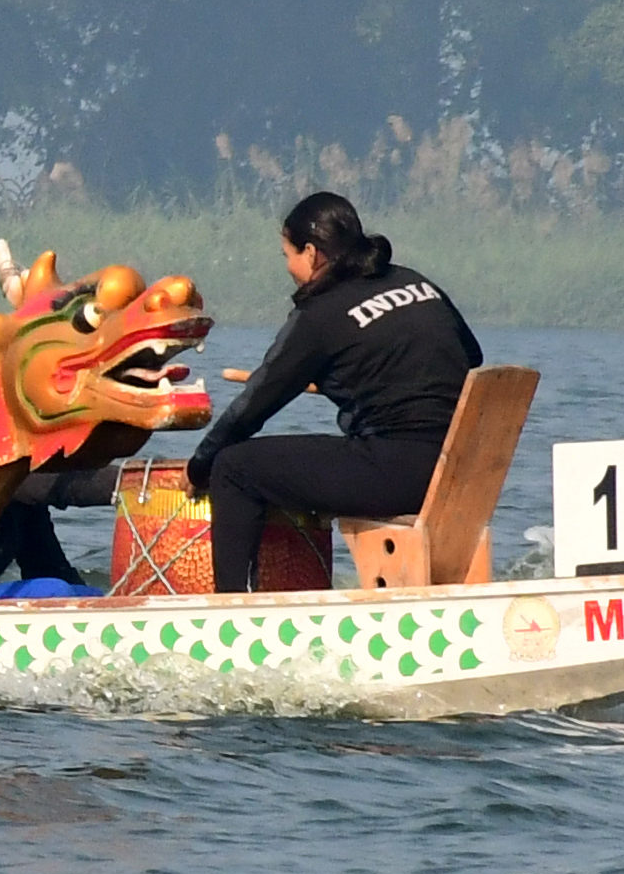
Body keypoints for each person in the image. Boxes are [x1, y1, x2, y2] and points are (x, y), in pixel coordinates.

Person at [180, 190, 484, 594]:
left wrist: (200, 465)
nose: (288, 267)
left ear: (311, 252)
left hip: (401, 473)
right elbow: (471, 356)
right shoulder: (413, 281)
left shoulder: (319, 315)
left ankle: (229, 611)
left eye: (287, 255)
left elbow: (253, 407)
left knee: (234, 468)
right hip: (462, 467)